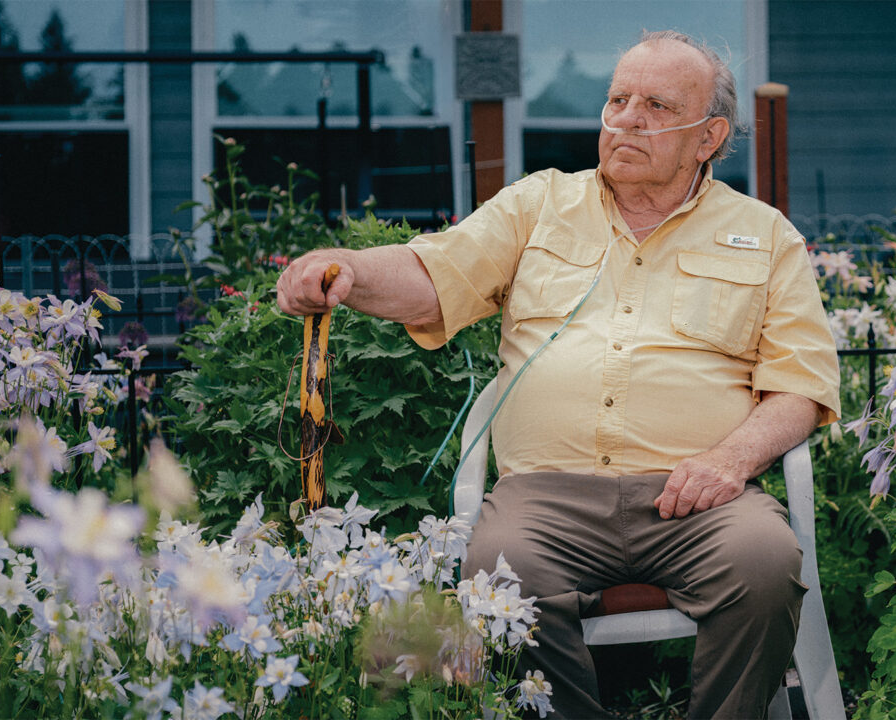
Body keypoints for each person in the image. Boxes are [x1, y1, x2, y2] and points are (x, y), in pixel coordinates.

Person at [278, 30, 840, 719]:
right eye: (617, 100)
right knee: (501, 573)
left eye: (657, 106)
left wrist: (731, 459)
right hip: (545, 498)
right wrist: (346, 269)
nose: (626, 118)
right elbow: (434, 277)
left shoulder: (766, 236)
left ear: (709, 136)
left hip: (701, 496)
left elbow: (801, 388)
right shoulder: (539, 206)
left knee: (763, 564)